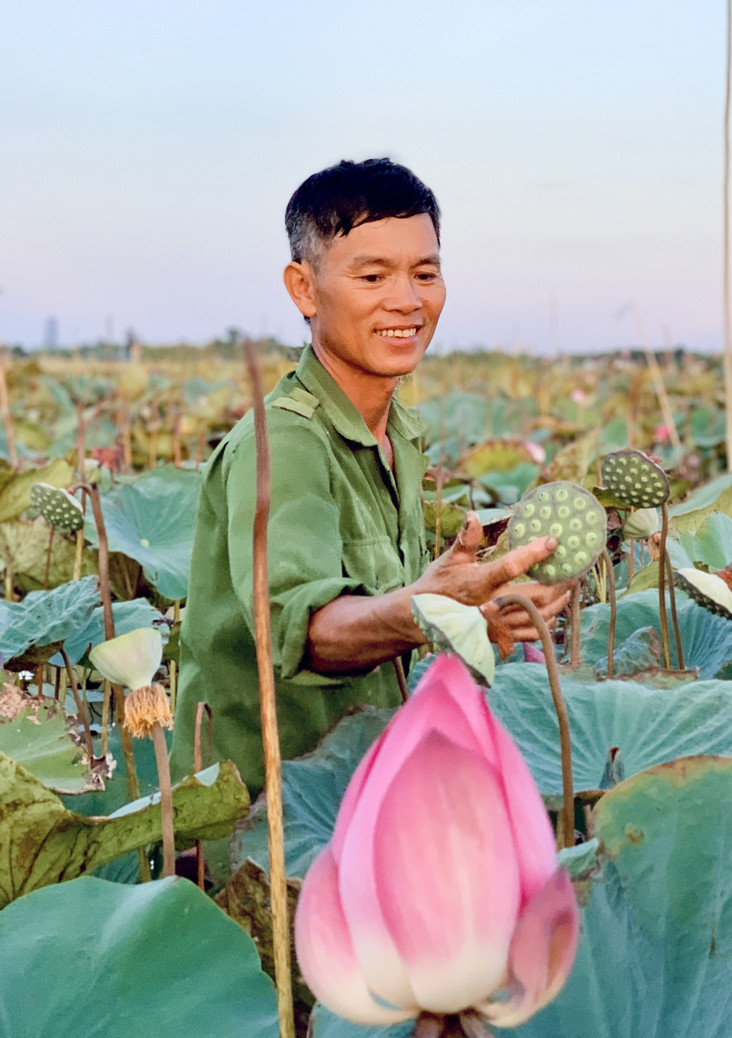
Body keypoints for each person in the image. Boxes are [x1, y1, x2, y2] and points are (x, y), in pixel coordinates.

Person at [171, 158, 571, 792]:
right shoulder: (287, 444)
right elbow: (309, 633)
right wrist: (431, 608)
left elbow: (385, 614)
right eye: (372, 275)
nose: (407, 301)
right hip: (274, 821)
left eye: (425, 273)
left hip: (376, 792)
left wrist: (481, 616)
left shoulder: (398, 431)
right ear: (304, 289)